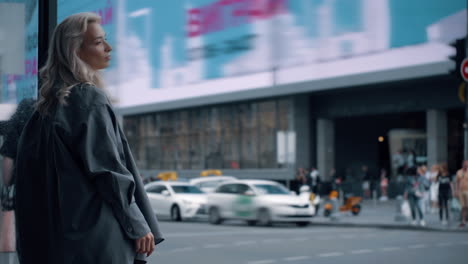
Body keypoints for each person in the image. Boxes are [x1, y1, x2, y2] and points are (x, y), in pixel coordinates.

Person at [13, 13, 164, 264]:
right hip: (95, 240)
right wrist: (137, 224)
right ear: (75, 50)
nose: (108, 47)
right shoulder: (88, 98)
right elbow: (108, 171)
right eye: (98, 42)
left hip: (54, 242)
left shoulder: (43, 109)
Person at [0, 99, 35, 254]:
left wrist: (9, 186)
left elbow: (7, 173)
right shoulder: (46, 127)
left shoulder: (16, 129)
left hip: (23, 193)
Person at [455, 160, 468, 227]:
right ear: (462, 164)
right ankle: (463, 221)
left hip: (467, 190)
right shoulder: (459, 172)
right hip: (461, 191)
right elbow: (457, 182)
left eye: (467, 164)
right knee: (463, 207)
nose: (466, 165)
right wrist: (456, 191)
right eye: (465, 164)